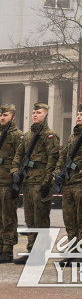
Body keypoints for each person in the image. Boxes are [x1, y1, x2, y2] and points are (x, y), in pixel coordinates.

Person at [12, 101, 61, 264]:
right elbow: (18, 156)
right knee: (30, 219)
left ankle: (40, 253)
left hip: (40, 182)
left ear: (46, 114)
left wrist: (47, 182)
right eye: (33, 112)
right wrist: (15, 173)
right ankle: (31, 250)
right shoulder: (27, 136)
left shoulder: (50, 136)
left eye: (38, 112)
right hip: (28, 182)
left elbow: (52, 161)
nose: (35, 115)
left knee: (41, 219)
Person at [53, 103, 82, 264]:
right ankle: (73, 251)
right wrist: (58, 172)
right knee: (70, 221)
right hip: (69, 183)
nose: (78, 116)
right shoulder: (74, 136)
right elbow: (63, 156)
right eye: (78, 114)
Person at [0, 104, 24, 263]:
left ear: (13, 117)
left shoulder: (18, 136)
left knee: (8, 217)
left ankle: (8, 249)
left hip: (8, 182)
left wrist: (17, 183)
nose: (2, 118)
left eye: (5, 115)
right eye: (1, 115)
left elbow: (20, 159)